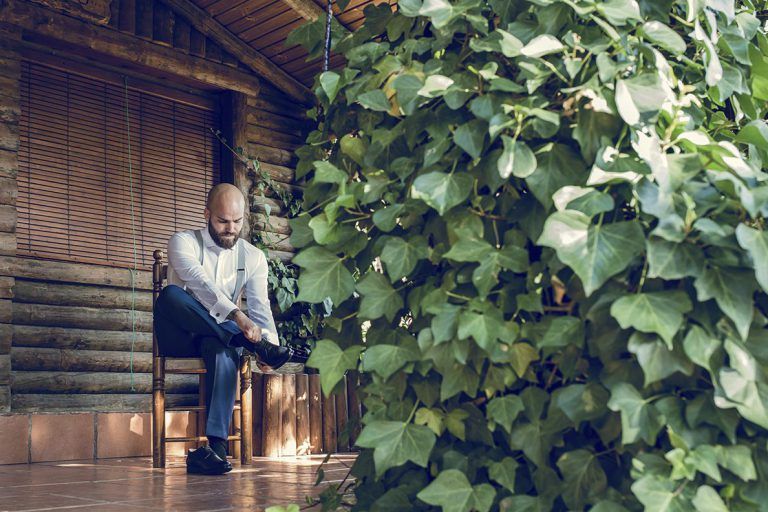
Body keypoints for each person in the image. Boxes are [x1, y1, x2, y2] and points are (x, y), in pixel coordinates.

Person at [153, 183, 309, 475]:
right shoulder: (182, 242)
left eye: (237, 222)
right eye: (222, 221)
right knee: (171, 296)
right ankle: (245, 341)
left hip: (218, 336)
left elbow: (261, 307)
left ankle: (215, 450)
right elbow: (201, 283)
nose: (230, 228)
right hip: (180, 335)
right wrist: (238, 317)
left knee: (224, 347)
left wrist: (268, 345)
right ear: (206, 214)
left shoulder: (252, 257)